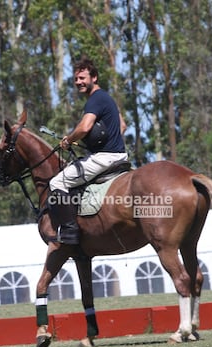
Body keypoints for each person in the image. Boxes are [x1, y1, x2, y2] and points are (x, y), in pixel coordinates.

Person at [49, 57, 128, 245]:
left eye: (82, 78)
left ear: (94, 77)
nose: (78, 82)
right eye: (76, 79)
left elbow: (84, 127)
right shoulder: (106, 97)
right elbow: (122, 126)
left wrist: (68, 140)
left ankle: (70, 232)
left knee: (57, 181)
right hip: (118, 155)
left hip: (105, 158)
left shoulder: (95, 99)